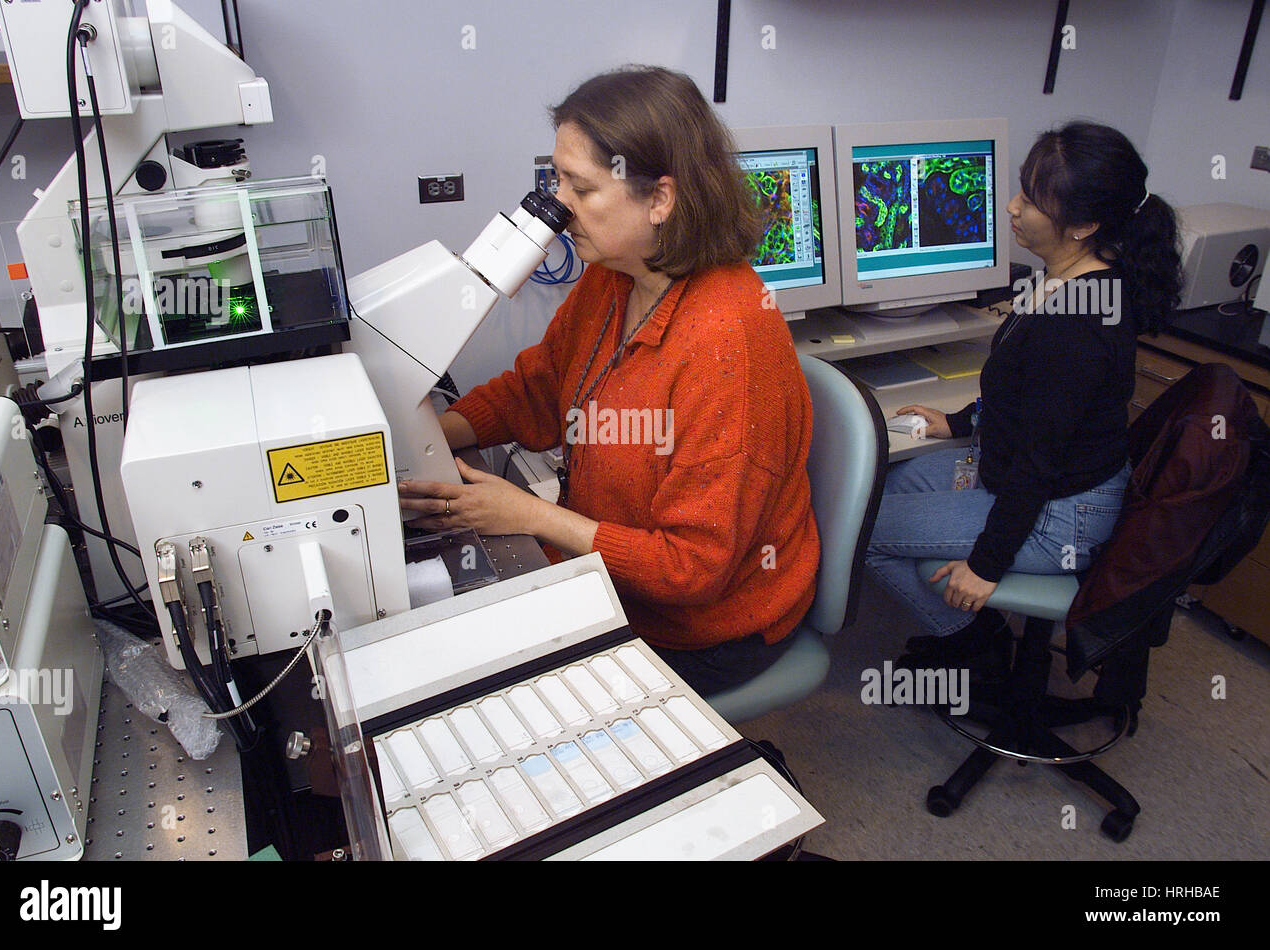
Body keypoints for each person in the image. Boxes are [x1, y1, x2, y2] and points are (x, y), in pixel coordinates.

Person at [398, 66, 820, 695]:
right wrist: (420, 437)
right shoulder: (615, 275)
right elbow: (538, 388)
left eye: (582, 188)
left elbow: (694, 568)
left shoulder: (729, 344)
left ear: (660, 199)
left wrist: (531, 515)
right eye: (557, 179)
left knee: (501, 697)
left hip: (705, 625)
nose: (558, 206)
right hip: (610, 578)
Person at [864, 121, 1183, 672]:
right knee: (884, 485)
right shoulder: (1074, 276)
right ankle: (972, 625)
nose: (1011, 207)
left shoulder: (1075, 325)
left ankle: (972, 641)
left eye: (1031, 200)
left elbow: (1041, 462)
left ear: (1082, 224)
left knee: (858, 532)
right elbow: (1023, 397)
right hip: (1023, 471)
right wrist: (959, 423)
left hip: (1059, 512)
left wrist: (985, 566)